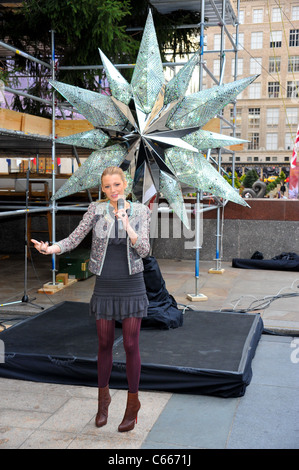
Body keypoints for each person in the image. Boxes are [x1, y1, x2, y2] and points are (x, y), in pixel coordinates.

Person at [31, 166, 151, 432]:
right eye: (107, 186)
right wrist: (51, 248)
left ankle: (133, 405)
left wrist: (127, 224)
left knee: (131, 344)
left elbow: (144, 249)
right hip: (105, 284)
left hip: (132, 283)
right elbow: (74, 238)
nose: (112, 191)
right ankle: (103, 401)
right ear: (102, 188)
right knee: (104, 343)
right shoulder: (95, 211)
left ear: (126, 185)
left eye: (117, 185)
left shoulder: (142, 211)